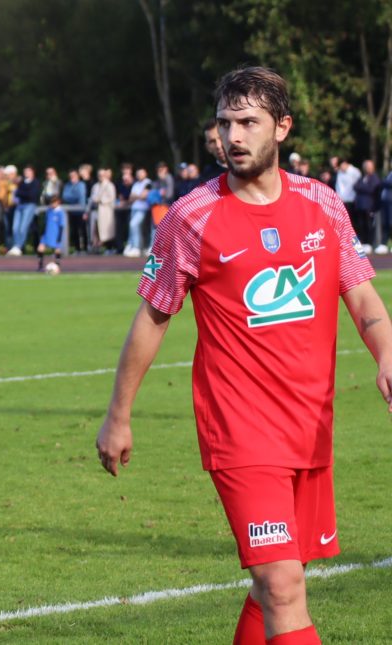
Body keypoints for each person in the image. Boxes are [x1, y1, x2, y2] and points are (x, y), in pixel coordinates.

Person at [97, 66, 392, 645]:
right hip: (240, 428)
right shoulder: (191, 216)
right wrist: (118, 414)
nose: (232, 136)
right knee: (282, 584)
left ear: (282, 127)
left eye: (248, 122)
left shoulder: (323, 203)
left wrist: (385, 353)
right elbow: (153, 318)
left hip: (310, 423)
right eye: (224, 123)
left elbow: (361, 296)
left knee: (276, 581)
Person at [8, 165, 40, 256]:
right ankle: (16, 246)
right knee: (15, 228)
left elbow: (32, 195)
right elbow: (17, 193)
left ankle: (18, 246)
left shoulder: (35, 182)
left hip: (29, 206)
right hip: (20, 206)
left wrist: (21, 193)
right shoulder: (22, 182)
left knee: (23, 227)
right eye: (25, 171)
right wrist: (22, 193)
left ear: (32, 172)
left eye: (28, 171)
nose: (26, 173)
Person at [36, 194, 65, 274]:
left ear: (58, 202)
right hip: (47, 233)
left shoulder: (60, 212)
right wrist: (42, 231)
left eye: (54, 202)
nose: (52, 204)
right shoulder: (49, 210)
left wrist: (59, 237)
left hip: (55, 233)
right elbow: (45, 222)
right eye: (51, 202)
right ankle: (40, 266)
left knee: (57, 250)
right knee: (40, 248)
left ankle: (57, 266)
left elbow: (61, 225)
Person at [199, 118, 228, 184]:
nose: (218, 145)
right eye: (212, 142)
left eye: (221, 138)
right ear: (208, 148)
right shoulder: (206, 180)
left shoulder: (249, 169)